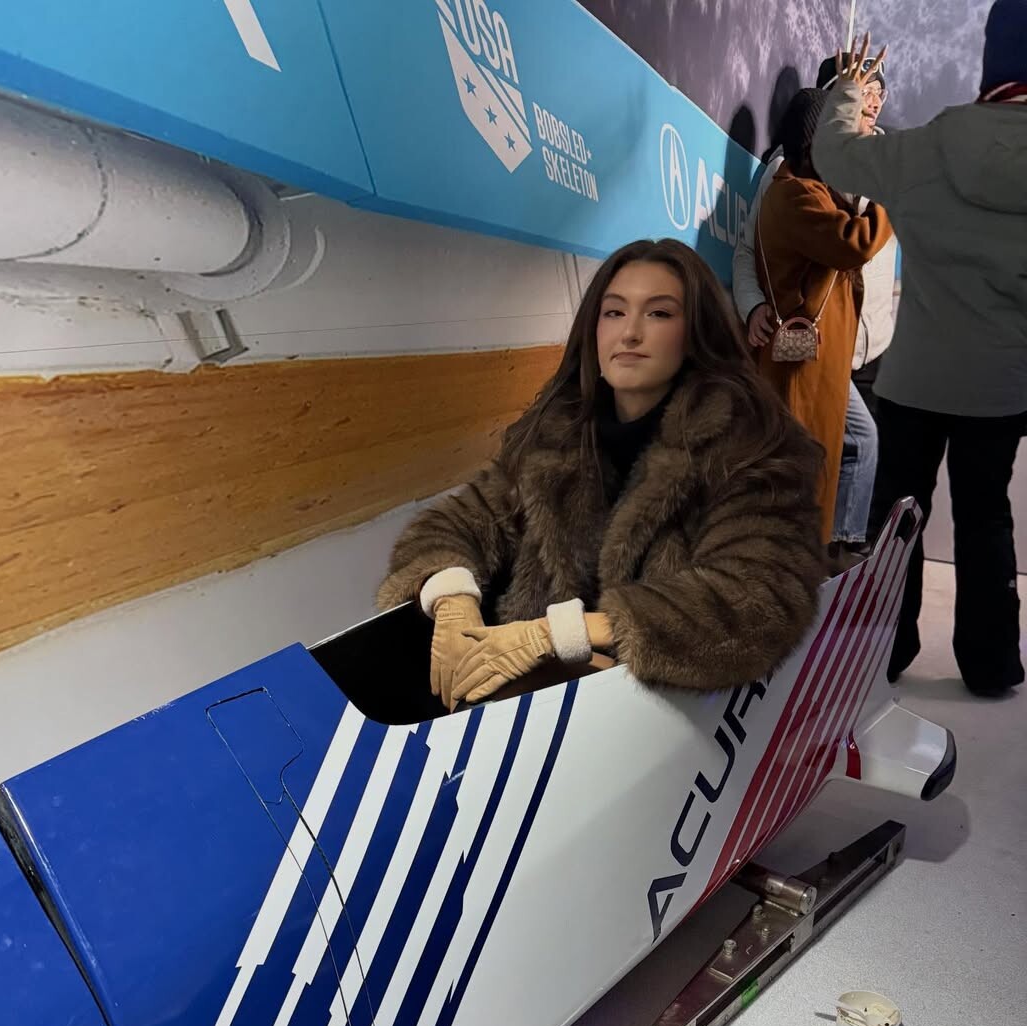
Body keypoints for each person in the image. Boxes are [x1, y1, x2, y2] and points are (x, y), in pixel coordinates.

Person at [377, 239, 826, 711]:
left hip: (658, 715)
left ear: (697, 330)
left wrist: (559, 634)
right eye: (614, 312)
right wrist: (453, 603)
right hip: (531, 712)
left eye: (659, 314)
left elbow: (758, 601)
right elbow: (459, 521)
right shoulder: (556, 433)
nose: (630, 333)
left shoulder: (750, 446)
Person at [813, 11, 1027, 697]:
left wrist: (850, 88)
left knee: (897, 518)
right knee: (987, 516)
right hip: (1001, 385)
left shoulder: (931, 145)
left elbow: (834, 153)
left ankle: (882, 655)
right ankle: (992, 667)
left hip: (915, 378)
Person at [735, 56, 898, 560]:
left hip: (860, 344)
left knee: (842, 448)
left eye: (878, 90)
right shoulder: (797, 185)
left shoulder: (874, 160)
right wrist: (753, 306)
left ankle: (830, 551)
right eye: (861, 89)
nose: (873, 99)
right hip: (811, 345)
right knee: (814, 452)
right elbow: (850, 241)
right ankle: (814, 555)